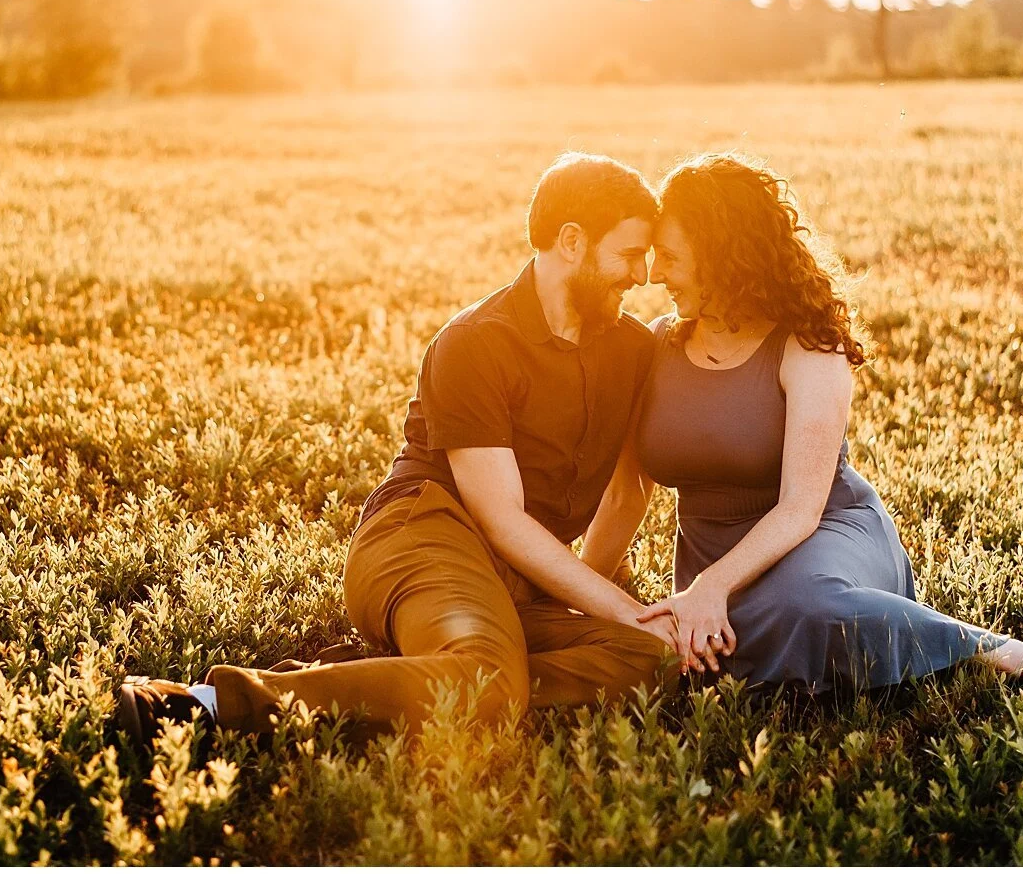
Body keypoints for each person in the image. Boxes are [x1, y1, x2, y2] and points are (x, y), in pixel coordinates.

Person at [117, 153, 680, 748]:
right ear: (572, 242)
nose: (642, 275)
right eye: (628, 254)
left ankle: (390, 680)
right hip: (423, 535)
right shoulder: (474, 344)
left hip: (514, 579)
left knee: (649, 657)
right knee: (491, 677)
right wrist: (618, 606)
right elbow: (503, 520)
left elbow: (628, 491)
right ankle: (204, 705)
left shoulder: (633, 349)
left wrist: (592, 610)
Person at [585, 152, 1023, 701]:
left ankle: (998, 653)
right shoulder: (655, 344)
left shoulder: (809, 344)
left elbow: (800, 507)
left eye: (670, 258)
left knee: (804, 605)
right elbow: (627, 494)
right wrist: (574, 596)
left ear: (722, 257)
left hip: (824, 535)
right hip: (711, 559)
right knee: (706, 641)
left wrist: (710, 587)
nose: (656, 275)